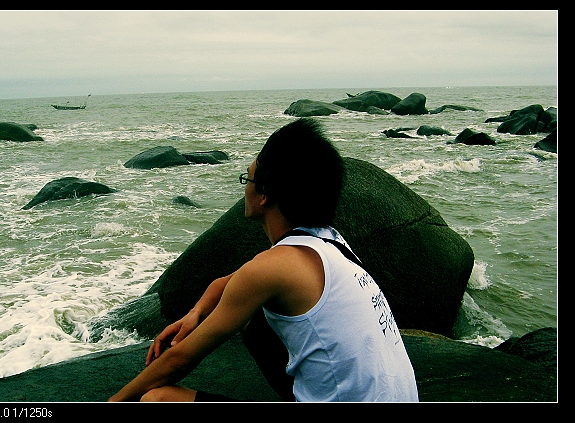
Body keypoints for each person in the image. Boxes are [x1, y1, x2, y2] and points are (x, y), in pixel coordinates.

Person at [109, 118, 418, 402]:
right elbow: (227, 283)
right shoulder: (330, 242)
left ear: (264, 193)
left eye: (248, 178)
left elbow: (180, 359)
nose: (245, 187)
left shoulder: (274, 267)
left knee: (156, 400)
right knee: (249, 318)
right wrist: (196, 313)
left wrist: (114, 401)